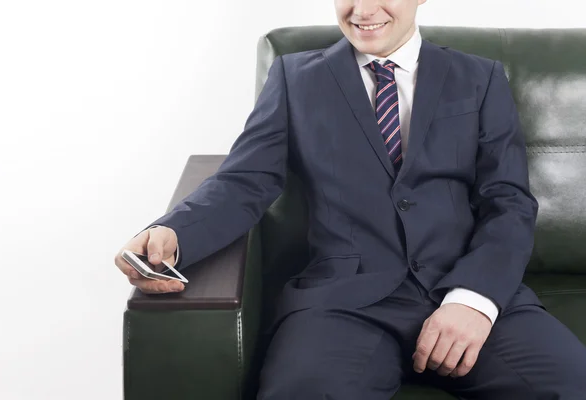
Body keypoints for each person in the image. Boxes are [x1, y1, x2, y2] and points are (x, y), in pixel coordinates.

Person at [115, 0, 586, 398]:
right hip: (343, 303)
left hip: (466, 287)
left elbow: (508, 200)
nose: (362, 10)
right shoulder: (296, 78)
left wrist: (474, 299)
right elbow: (244, 180)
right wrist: (173, 232)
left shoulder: (479, 78)